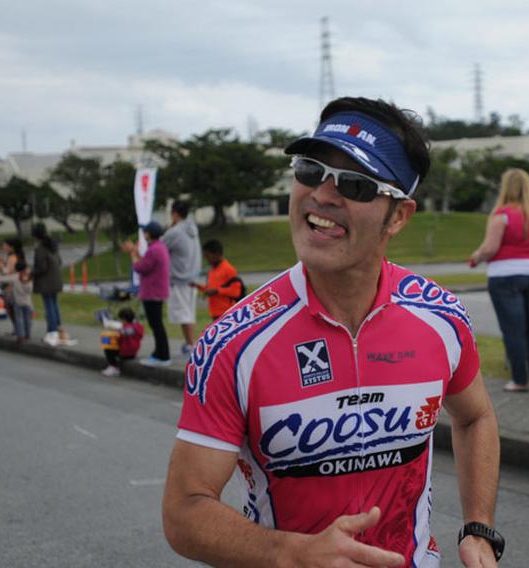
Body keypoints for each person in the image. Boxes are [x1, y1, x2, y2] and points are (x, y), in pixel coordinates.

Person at [162, 97, 503, 568]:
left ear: (398, 216)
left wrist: (479, 527)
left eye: (356, 184)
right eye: (310, 169)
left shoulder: (441, 318)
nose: (322, 194)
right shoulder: (233, 343)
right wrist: (292, 552)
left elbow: (475, 417)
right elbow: (183, 511)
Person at [469, 168, 529, 392]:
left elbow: (490, 248)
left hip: (505, 274)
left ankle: (519, 379)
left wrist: (476, 257)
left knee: (513, 328)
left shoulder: (502, 215)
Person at [123, 221, 171, 367]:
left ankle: (162, 356)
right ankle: (159, 353)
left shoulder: (154, 250)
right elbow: (146, 263)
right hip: (157, 291)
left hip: (152, 292)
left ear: (148, 234)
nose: (144, 234)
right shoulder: (159, 247)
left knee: (156, 324)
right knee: (157, 324)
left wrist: (132, 253)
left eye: (145, 232)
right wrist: (136, 253)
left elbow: (140, 267)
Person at [162, 200, 201, 356]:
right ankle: (190, 343)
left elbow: (160, 247)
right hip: (193, 276)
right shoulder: (192, 228)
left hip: (179, 278)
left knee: (184, 314)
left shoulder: (175, 232)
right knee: (189, 312)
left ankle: (191, 344)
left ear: (175, 214)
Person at [31, 223, 72, 345]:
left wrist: (32, 272)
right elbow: (59, 262)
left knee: (49, 306)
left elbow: (41, 267)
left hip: (46, 281)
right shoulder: (54, 245)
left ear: (35, 236)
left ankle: (52, 331)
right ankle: (58, 329)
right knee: (54, 304)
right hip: (56, 279)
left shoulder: (40, 249)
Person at [191, 239, 242, 321]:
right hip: (215, 313)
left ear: (217, 253)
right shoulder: (212, 270)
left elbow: (236, 292)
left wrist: (217, 291)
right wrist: (198, 286)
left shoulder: (229, 269)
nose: (206, 259)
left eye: (208, 256)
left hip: (227, 313)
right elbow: (211, 289)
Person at [0, 259, 33, 342]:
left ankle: (20, 335)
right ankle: (27, 334)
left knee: (19, 318)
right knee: (27, 318)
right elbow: (30, 290)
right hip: (27, 302)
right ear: (25, 268)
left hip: (18, 302)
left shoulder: (14, 277)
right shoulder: (29, 277)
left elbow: (3, 279)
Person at [100, 307, 144, 377]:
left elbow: (120, 334)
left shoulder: (125, 329)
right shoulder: (138, 326)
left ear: (123, 319)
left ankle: (113, 367)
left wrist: (111, 328)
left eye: (120, 319)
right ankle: (114, 366)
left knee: (108, 347)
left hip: (125, 352)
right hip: (133, 352)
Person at [0, 238, 24, 335]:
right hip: (15, 286)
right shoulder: (15, 256)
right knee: (12, 308)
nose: (4, 247)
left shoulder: (12, 258)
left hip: (11, 287)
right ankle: (17, 329)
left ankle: (18, 329)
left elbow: (7, 273)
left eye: (5, 245)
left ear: (11, 247)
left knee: (11, 308)